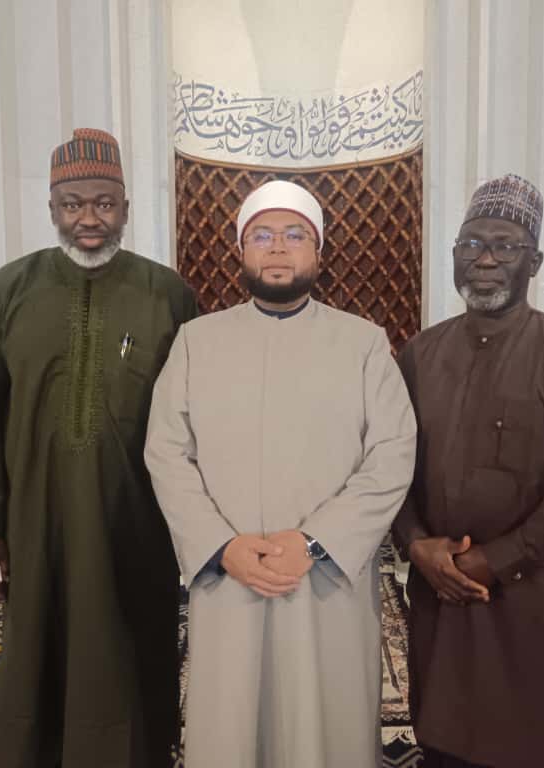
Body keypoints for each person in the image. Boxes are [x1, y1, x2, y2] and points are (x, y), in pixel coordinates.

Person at [144, 180, 417, 767]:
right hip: (229, 576)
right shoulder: (196, 342)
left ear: (318, 251)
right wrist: (222, 546)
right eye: (262, 236)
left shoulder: (363, 344)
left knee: (329, 723)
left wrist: (314, 542)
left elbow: (393, 454)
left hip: (325, 579)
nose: (277, 248)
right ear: (240, 251)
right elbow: (166, 452)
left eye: (294, 235)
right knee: (232, 723)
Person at [0, 128, 197, 767]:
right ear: (52, 208)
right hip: (36, 520)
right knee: (40, 646)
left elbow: (195, 420)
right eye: (73, 204)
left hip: (135, 522)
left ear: (125, 207)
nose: (89, 218)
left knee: (132, 646)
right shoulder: (10, 289)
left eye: (104, 203)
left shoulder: (167, 294)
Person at [394, 173, 544, 768]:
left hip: (532, 592)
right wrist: (416, 544)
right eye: (471, 244)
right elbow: (388, 466)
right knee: (444, 729)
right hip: (440, 589)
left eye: (505, 246)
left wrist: (495, 560)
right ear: (454, 256)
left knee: (534, 736)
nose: (486, 260)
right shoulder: (419, 355)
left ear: (534, 262)